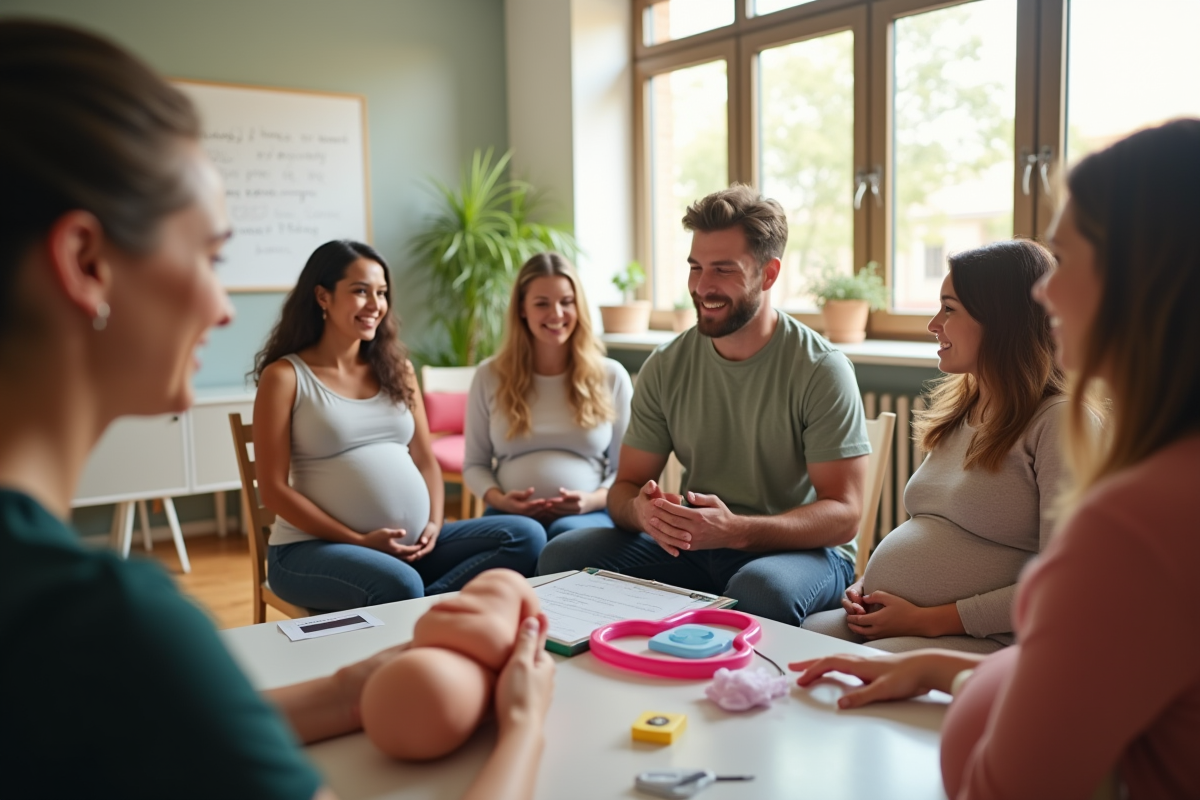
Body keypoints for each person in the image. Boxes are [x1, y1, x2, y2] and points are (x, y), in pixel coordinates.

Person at [0, 20, 554, 800]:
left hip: (409, 556)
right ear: (87, 264)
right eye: (209, 256)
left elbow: (148, 722)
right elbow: (274, 496)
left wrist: (351, 686)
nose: (223, 306)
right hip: (336, 552)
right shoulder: (111, 624)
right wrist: (525, 725)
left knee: (514, 538)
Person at [792, 119, 1200, 798]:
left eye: (1067, 262)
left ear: (1145, 279)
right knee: (806, 647)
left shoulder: (1137, 519)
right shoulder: (1156, 483)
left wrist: (929, 634)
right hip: (942, 652)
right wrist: (933, 667)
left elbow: (1012, 776)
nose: (1046, 291)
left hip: (971, 654)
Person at [538, 184, 871, 626]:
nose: (702, 285)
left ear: (768, 275)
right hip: (701, 547)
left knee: (758, 589)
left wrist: (738, 531)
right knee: (563, 553)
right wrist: (642, 512)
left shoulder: (820, 368)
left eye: (723, 270)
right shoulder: (667, 364)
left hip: (799, 554)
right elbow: (625, 488)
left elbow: (844, 515)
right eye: (695, 267)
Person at [803, 240, 1077, 654]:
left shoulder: (1058, 423)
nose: (934, 324)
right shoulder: (964, 410)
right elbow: (928, 528)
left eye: (950, 309)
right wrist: (864, 586)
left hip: (983, 638)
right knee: (792, 639)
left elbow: (1065, 585)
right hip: (906, 624)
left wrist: (927, 620)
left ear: (1000, 320)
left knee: (816, 666)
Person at [252, 240, 547, 612]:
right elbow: (274, 492)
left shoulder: (398, 371)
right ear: (322, 296)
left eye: (381, 293)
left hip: (410, 549)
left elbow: (426, 460)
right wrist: (358, 540)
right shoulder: (285, 377)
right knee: (400, 583)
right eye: (360, 292)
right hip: (308, 550)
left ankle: (410, 611)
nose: (375, 305)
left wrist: (434, 525)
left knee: (525, 535)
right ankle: (423, 609)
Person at [463, 252, 633, 539]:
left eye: (566, 302)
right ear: (521, 309)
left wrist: (590, 501)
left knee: (568, 539)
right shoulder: (489, 375)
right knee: (525, 537)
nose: (556, 314)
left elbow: (626, 473)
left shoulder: (611, 376)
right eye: (542, 303)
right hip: (510, 517)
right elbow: (475, 465)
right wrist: (499, 500)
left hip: (589, 514)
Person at [362, 569, 544, 761]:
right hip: (450, 646)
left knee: (503, 583)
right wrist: (523, 721)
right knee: (505, 581)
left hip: (447, 655)